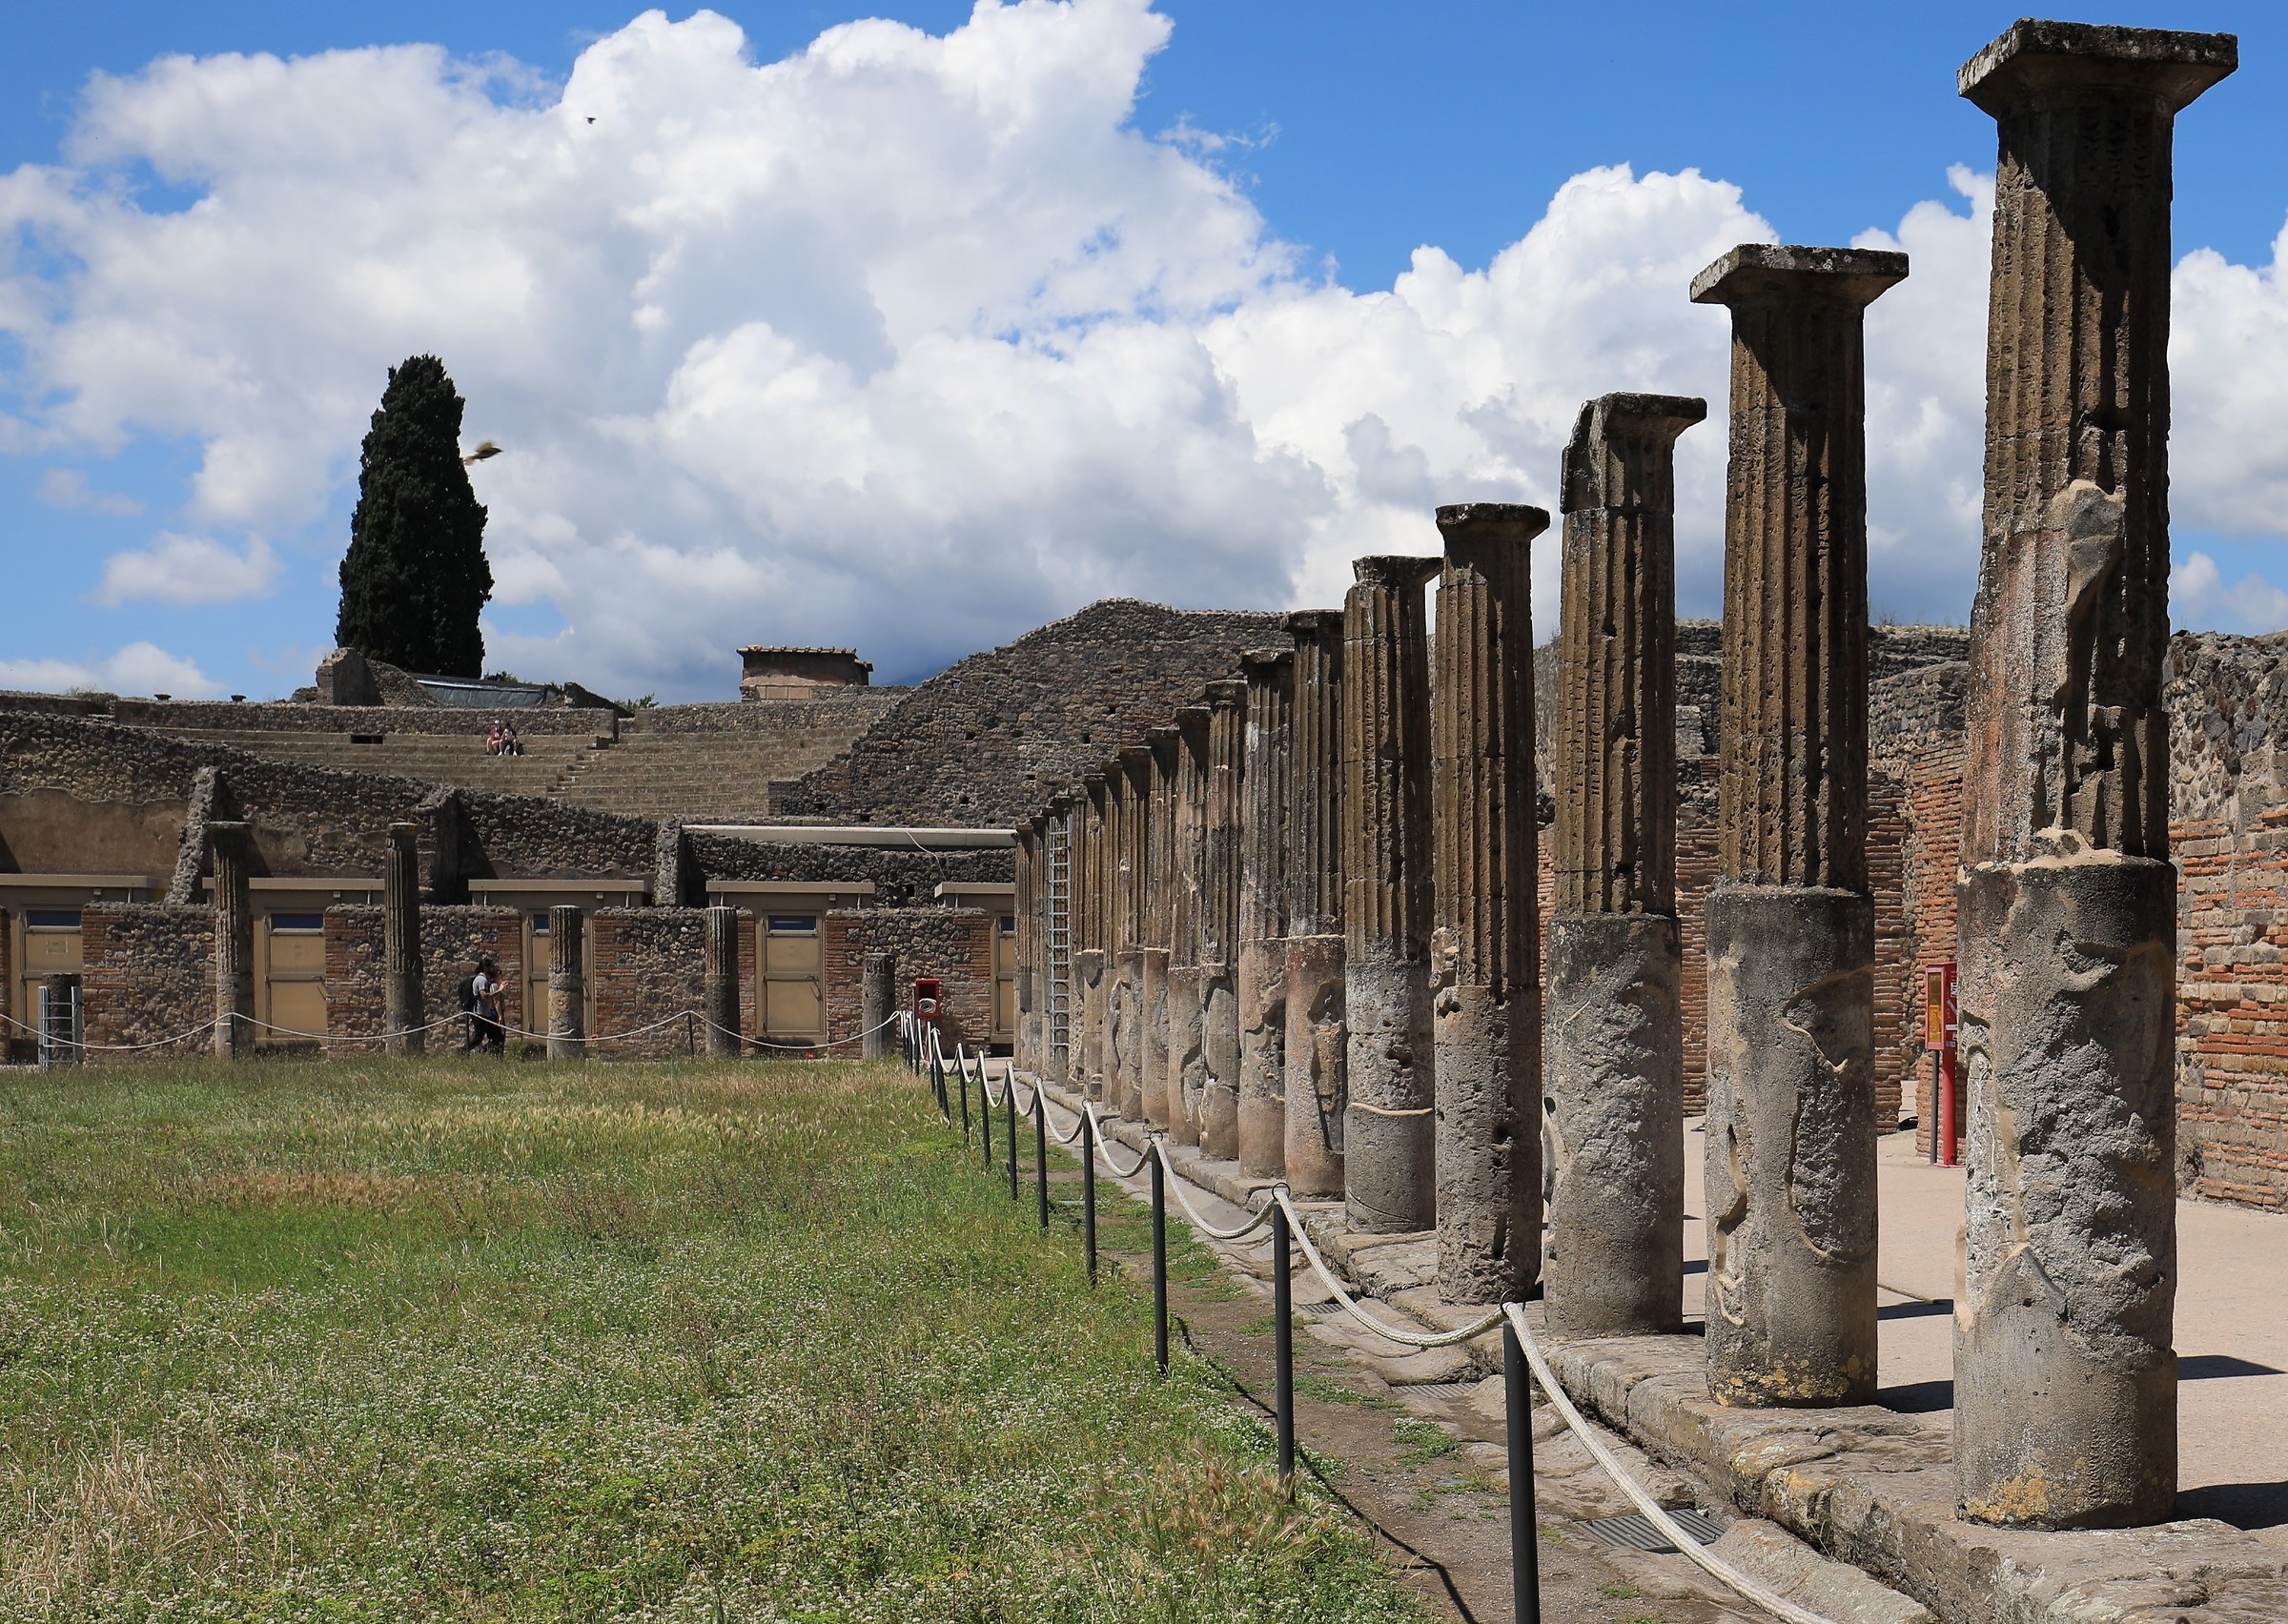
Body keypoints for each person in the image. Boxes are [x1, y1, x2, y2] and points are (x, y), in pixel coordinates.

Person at [462, 954, 506, 1053]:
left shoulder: (483, 979)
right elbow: (484, 996)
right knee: (478, 1038)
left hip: (485, 1014)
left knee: (495, 1036)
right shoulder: (482, 980)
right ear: (486, 968)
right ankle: (463, 1051)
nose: (492, 969)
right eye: (491, 967)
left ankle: (489, 1052)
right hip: (480, 1014)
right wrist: (499, 991)